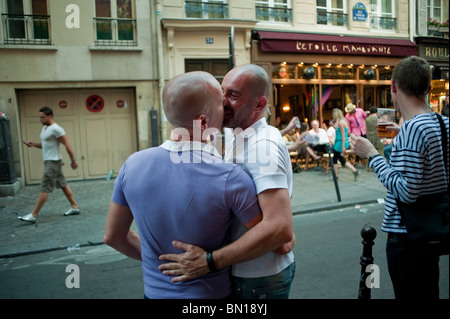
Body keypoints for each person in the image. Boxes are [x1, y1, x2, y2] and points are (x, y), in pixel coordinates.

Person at [104, 71, 266, 299]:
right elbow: (270, 238)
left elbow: (113, 236)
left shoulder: (132, 165)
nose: (227, 109)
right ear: (203, 122)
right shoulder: (230, 177)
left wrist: (163, 261)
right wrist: (209, 262)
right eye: (221, 104)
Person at [158, 64, 295, 299]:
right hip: (247, 271)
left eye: (233, 96)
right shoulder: (238, 134)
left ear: (259, 104)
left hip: (257, 278)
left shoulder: (263, 146)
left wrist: (209, 262)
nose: (222, 102)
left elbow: (280, 229)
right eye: (223, 92)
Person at [350, 56, 449, 299]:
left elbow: (407, 192)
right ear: (427, 88)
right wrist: (401, 134)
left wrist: (372, 155)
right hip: (431, 228)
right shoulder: (442, 122)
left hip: (407, 235)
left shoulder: (414, 128)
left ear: (393, 87)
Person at [18, 107, 80, 223]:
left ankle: (34, 214)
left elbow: (67, 144)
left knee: (45, 187)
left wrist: (73, 160)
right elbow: (45, 144)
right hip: (50, 161)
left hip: (53, 162)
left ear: (50, 116)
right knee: (63, 184)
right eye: (40, 117)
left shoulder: (56, 129)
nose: (40, 120)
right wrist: (33, 144)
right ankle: (74, 207)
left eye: (43, 117)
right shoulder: (46, 129)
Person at [331, 108, 360, 181]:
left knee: (335, 159)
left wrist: (343, 146)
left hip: (340, 143)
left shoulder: (340, 122)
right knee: (341, 159)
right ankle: (355, 171)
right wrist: (333, 126)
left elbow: (343, 134)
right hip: (340, 142)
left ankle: (336, 176)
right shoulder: (343, 121)